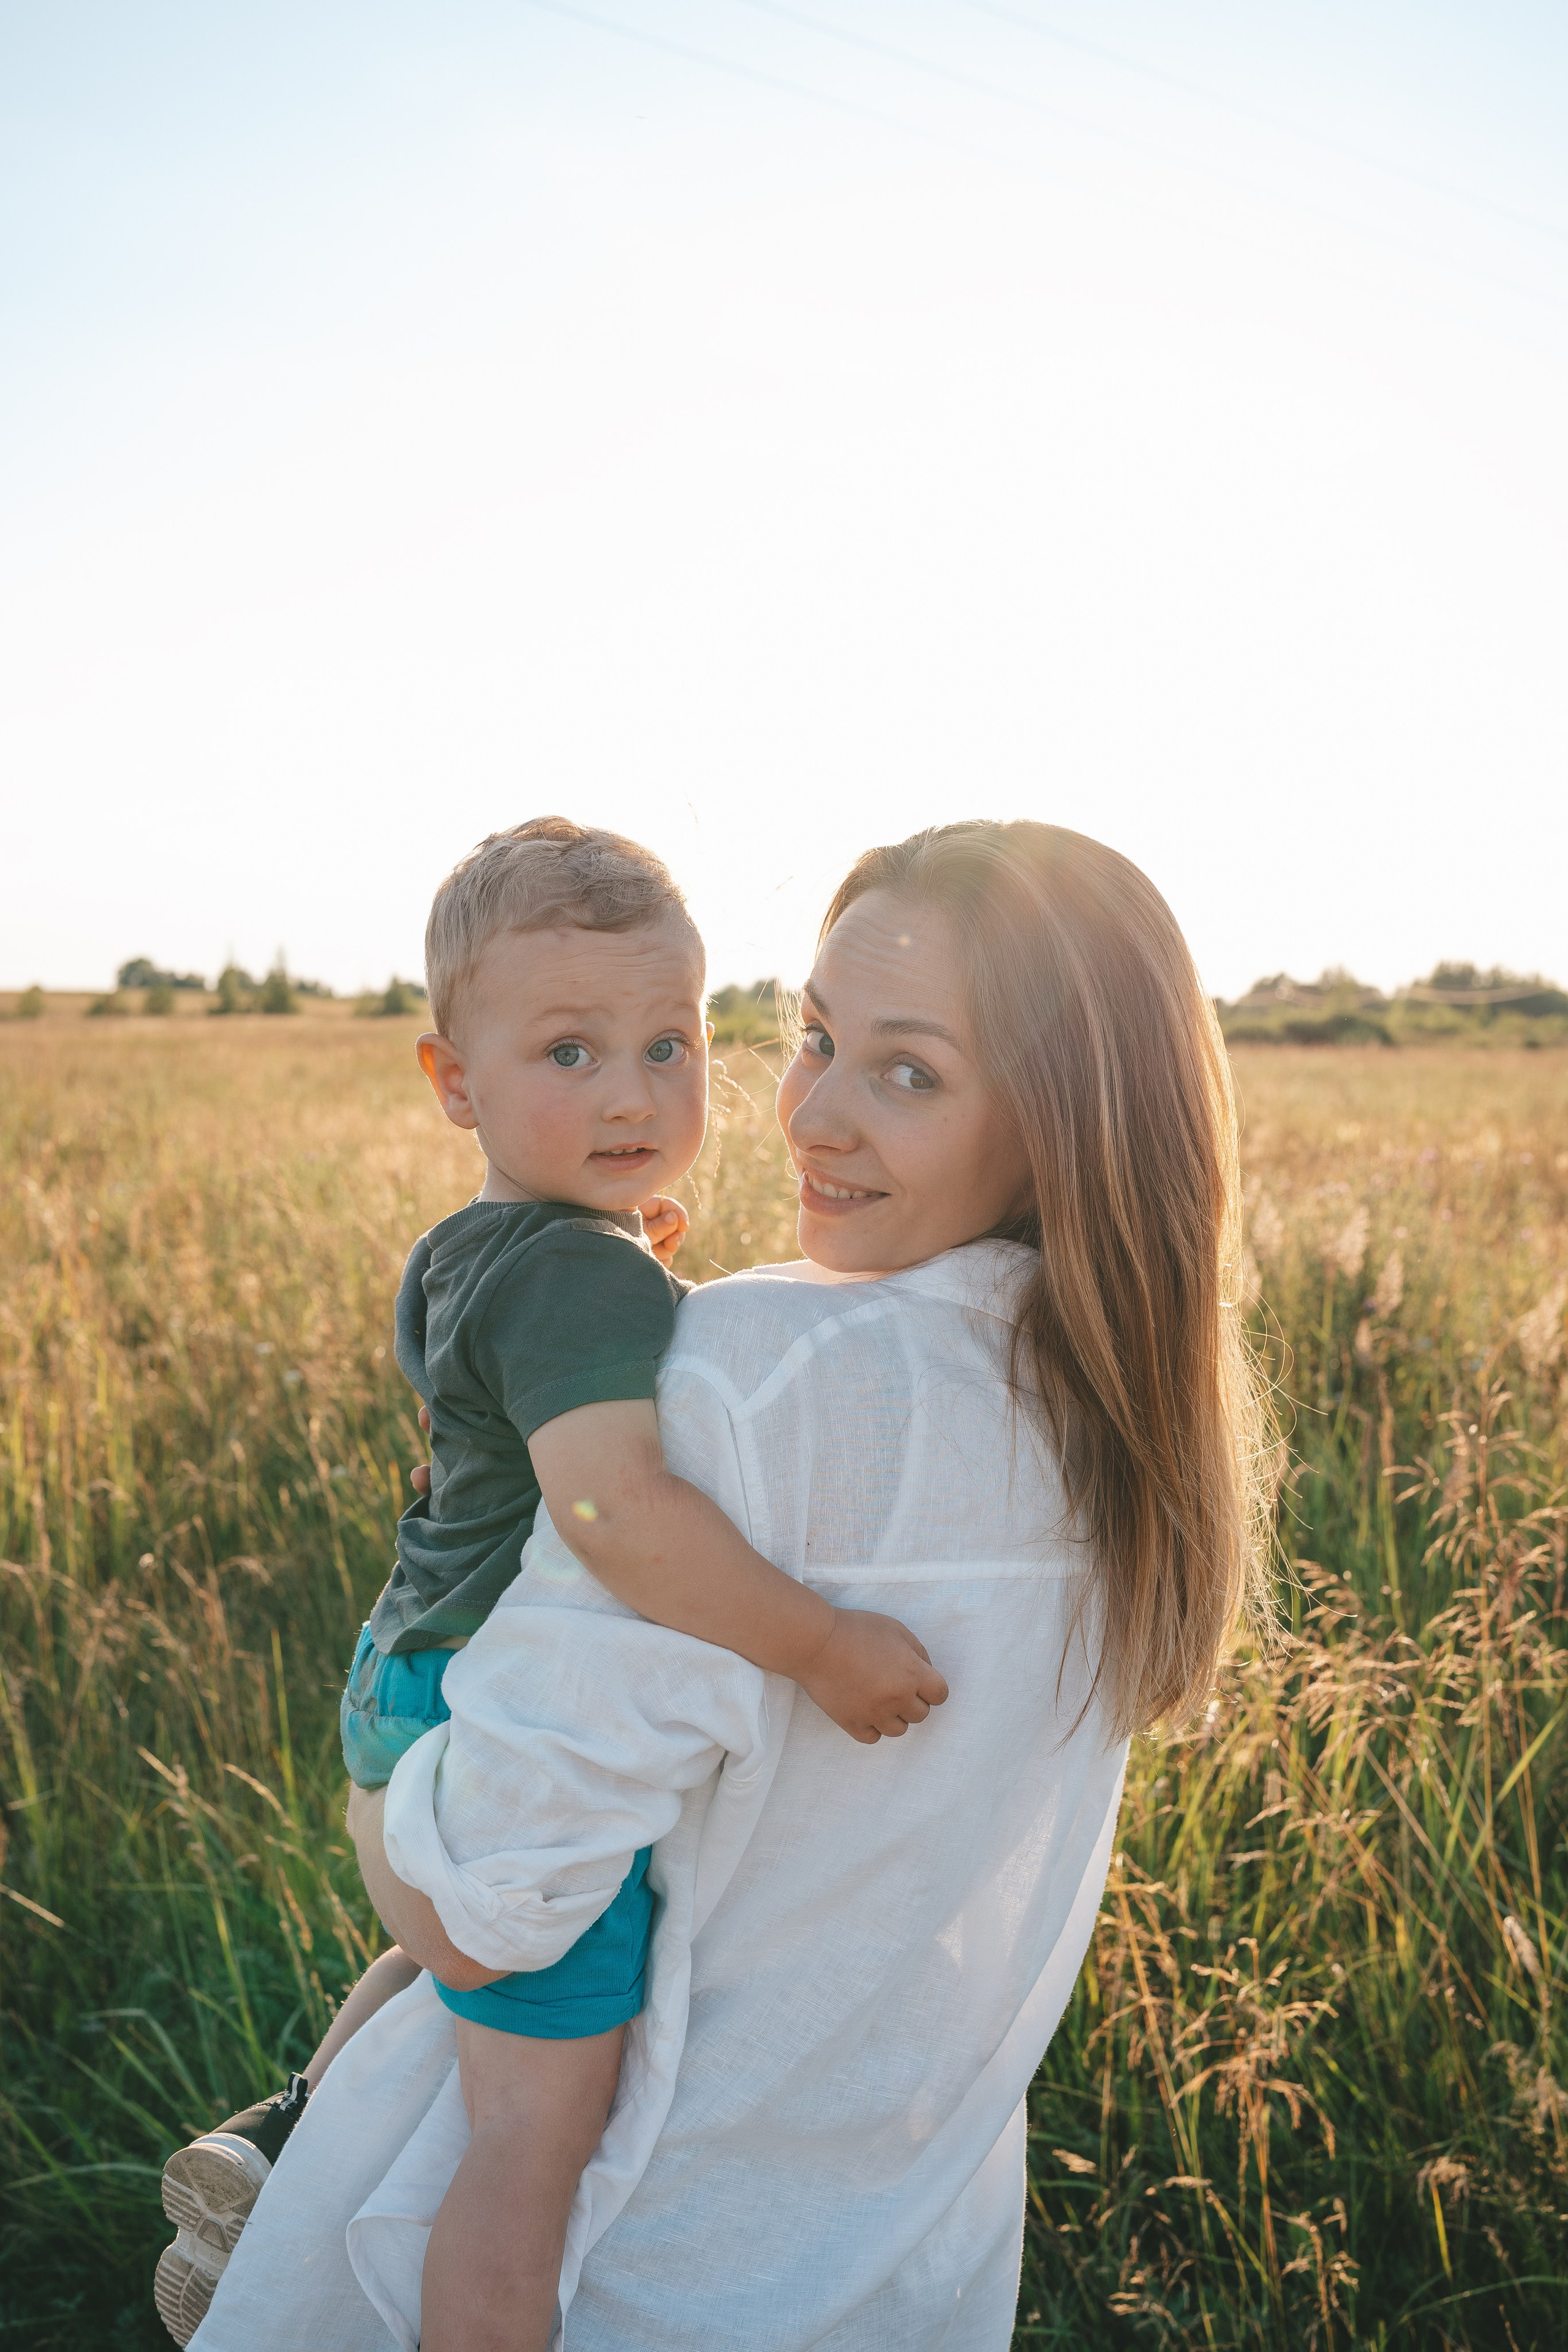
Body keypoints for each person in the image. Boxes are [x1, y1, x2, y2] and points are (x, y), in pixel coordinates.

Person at [190, 818, 1268, 2352]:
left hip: (629, 2262)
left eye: (907, 1071)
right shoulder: (1137, 1435)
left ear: (1058, 1116)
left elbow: (490, 1904)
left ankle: (292, 2131)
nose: (811, 1116)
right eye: (814, 1039)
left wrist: (372, 1807)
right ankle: (296, 2117)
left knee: (501, 2103)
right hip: (901, 2266)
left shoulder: (754, 1383)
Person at [156, 818, 944, 2349]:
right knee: (534, 2149)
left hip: (403, 1685)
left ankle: (289, 2131)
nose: (636, 1094)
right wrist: (822, 1641)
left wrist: (626, 1254)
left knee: (439, 1953)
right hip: (492, 1721)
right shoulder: (578, 1272)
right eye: (568, 1054)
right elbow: (615, 1514)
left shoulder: (489, 1243)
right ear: (455, 1083)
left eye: (669, 1044)